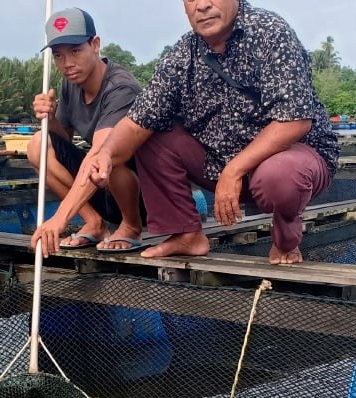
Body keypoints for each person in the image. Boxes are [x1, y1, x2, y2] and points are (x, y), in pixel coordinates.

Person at [31, 0, 339, 265]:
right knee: (149, 133)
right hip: (220, 163)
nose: (201, 5)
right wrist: (103, 160)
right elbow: (136, 123)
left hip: (288, 157)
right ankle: (188, 234)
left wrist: (234, 169)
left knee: (279, 177)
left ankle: (286, 233)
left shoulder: (270, 32)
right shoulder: (182, 55)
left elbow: (295, 120)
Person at [26, 7, 144, 253]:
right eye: (58, 55)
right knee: (38, 144)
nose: (67, 63)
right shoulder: (71, 84)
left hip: (140, 191)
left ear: (96, 44)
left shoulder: (120, 87)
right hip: (101, 186)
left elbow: (101, 155)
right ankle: (94, 222)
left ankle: (131, 226)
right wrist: (51, 117)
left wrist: (60, 219)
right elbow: (63, 143)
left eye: (76, 51)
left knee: (111, 157)